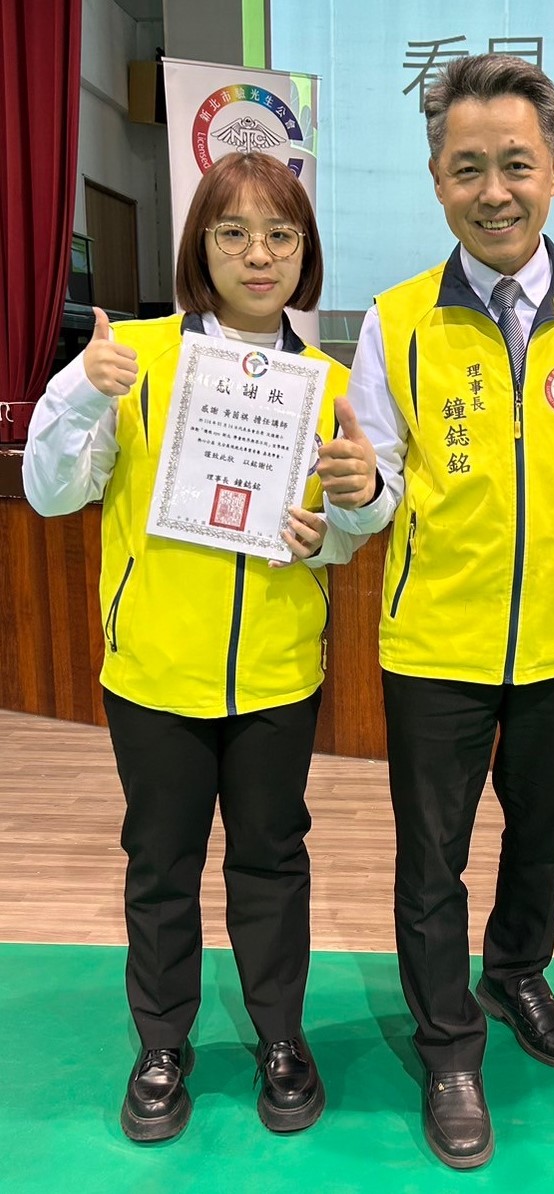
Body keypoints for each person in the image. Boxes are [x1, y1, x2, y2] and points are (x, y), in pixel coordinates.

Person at [318, 54, 554, 1169]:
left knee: (543, 835)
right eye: (468, 167)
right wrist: (357, 489)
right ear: (437, 180)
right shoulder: (396, 321)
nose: (494, 191)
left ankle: (517, 972)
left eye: (516, 164)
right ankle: (448, 1046)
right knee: (430, 859)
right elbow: (377, 490)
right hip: (436, 642)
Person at [23, 152, 360, 1142]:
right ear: (199, 248)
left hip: (276, 675)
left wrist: (332, 530)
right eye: (232, 233)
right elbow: (51, 492)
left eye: (281, 234)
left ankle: (281, 1038)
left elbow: (349, 530)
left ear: (306, 252)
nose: (258, 255)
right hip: (155, 674)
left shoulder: (331, 385)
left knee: (272, 862)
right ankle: (162, 1044)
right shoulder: (131, 361)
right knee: (161, 864)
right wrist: (83, 394)